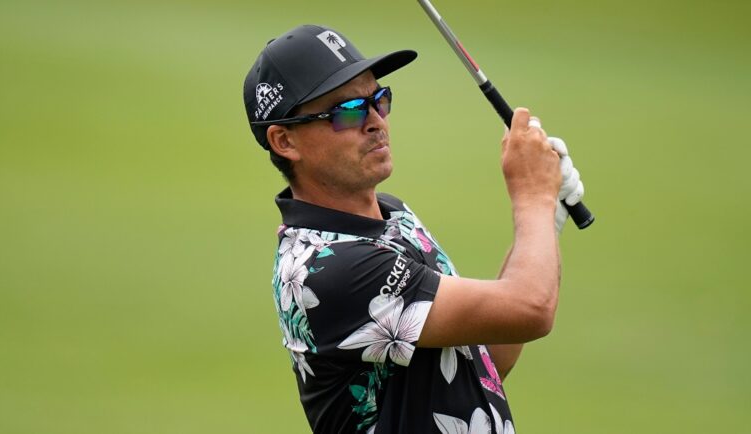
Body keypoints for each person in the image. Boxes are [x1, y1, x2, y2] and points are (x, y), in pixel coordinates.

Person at [243, 24, 585, 433]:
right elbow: (530, 310)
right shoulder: (329, 268)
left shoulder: (391, 214)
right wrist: (533, 197)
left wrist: (545, 221)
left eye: (378, 99)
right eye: (346, 111)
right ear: (285, 142)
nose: (374, 121)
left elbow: (483, 361)